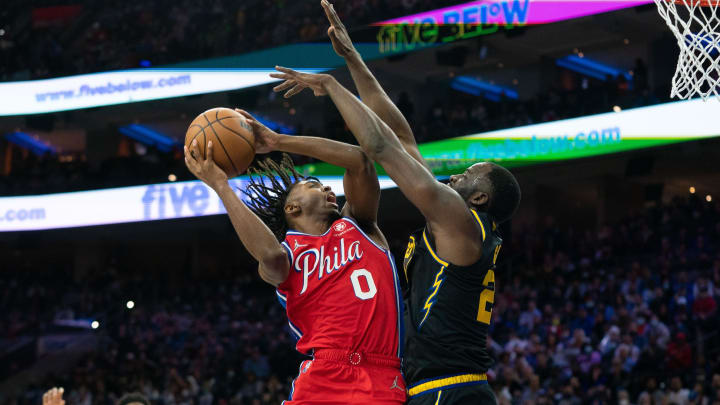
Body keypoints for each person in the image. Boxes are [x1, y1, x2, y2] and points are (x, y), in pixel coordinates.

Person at [269, 2, 521, 403]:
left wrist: (332, 86)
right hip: (435, 388)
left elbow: (380, 145)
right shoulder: (452, 217)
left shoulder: (460, 219)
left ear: (479, 197)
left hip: (450, 389)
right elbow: (402, 137)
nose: (456, 175)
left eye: (468, 175)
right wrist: (353, 59)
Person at [184, 108, 405, 404]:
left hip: (380, 373)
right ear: (292, 209)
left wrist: (278, 141)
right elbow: (270, 255)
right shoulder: (286, 255)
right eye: (314, 185)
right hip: (323, 376)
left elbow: (360, 161)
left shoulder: (359, 224)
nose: (327, 187)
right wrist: (222, 186)